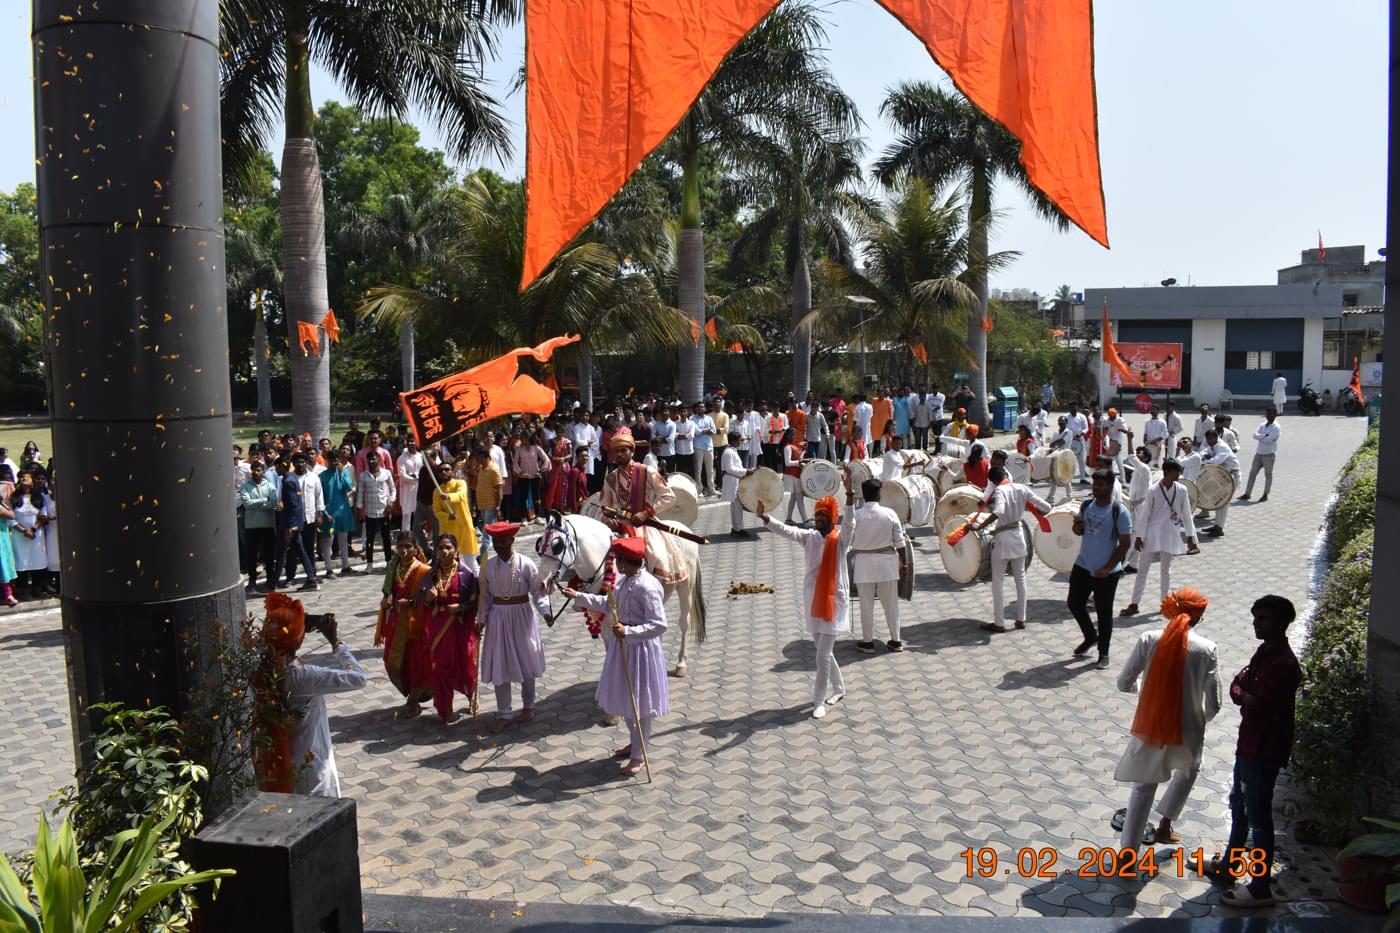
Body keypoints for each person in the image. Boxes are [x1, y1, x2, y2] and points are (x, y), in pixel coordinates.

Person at [1114, 588, 1220, 851]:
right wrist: (1199, 719)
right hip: (1189, 730)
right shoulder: (1208, 649)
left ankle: (1129, 851)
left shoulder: (1149, 639)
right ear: (1197, 618)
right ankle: (1165, 824)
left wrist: (1148, 692)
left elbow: (1123, 683)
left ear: (1169, 611)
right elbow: (1215, 703)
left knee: (1143, 787)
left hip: (1152, 725)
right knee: (1188, 771)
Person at [1215, 595, 1301, 908]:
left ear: (1281, 622)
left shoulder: (1284, 664)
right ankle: (1230, 865)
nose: (1256, 623)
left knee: (1259, 817)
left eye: (1263, 618)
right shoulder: (1265, 651)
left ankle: (1261, 886)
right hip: (1249, 745)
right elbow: (1240, 688)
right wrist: (1243, 691)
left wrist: (1243, 691)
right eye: (1255, 617)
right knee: (1239, 805)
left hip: (1264, 751)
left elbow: (1253, 699)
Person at [561, 536, 670, 776]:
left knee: (640, 702)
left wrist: (629, 631)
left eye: (617, 560)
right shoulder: (625, 582)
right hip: (622, 649)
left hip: (641, 650)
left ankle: (639, 755)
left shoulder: (647, 586)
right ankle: (635, 741)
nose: (616, 564)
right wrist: (578, 597)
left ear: (624, 561)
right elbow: (608, 603)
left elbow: (660, 624)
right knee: (625, 697)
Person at [755, 490, 855, 718]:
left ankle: (818, 701)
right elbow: (786, 530)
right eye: (816, 518)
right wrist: (765, 517)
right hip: (813, 601)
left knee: (822, 655)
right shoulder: (809, 537)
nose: (817, 522)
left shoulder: (841, 540)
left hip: (834, 602)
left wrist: (849, 495)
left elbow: (850, 524)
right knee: (823, 651)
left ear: (832, 519)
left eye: (822, 519)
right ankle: (839, 688)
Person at [265, 593, 367, 797]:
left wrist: (301, 621)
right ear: (297, 640)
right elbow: (358, 678)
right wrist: (336, 642)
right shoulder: (304, 677)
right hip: (312, 769)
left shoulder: (263, 670)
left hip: (278, 767)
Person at [480, 522, 551, 731]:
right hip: (497, 619)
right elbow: (484, 597)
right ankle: (505, 713)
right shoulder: (488, 566)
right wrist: (481, 620)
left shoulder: (526, 563)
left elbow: (538, 593)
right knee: (499, 663)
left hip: (522, 617)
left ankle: (528, 707)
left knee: (526, 661)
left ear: (512, 540)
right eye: (495, 542)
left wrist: (546, 613)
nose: (498, 545)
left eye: (502, 542)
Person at [968, 465, 1051, 632]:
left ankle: (999, 622)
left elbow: (999, 511)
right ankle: (1021, 619)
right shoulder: (1021, 488)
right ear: (1006, 474)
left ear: (992, 481)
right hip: (1018, 535)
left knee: (998, 581)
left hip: (1003, 539)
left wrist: (979, 527)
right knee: (1020, 578)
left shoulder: (999, 491)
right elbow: (1046, 507)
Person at [1068, 470, 1133, 669]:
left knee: (1104, 614)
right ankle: (1090, 636)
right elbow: (1078, 531)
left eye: (1100, 485)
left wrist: (1107, 568)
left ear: (1110, 487)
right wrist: (1077, 525)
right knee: (1074, 603)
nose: (1095, 488)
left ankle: (1103, 653)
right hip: (1083, 565)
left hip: (1106, 573)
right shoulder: (1087, 505)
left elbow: (1124, 544)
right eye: (1094, 485)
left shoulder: (1119, 511)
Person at [417, 532, 481, 725]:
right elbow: (421, 601)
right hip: (438, 629)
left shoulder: (467, 575)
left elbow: (475, 602)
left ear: (456, 551)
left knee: (466, 663)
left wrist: (461, 607)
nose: (444, 551)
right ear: (436, 552)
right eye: (441, 548)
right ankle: (445, 709)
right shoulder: (430, 575)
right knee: (440, 668)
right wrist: (427, 598)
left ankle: (472, 695)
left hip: (460, 627)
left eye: (448, 547)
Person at [1121, 459, 1199, 617]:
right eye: (1177, 471)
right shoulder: (1153, 490)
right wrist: (1139, 537)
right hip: (1152, 534)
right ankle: (1134, 603)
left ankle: (1165, 604)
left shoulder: (1182, 489)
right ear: (1168, 472)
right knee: (1142, 570)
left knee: (1166, 571)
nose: (1179, 474)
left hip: (1170, 533)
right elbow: (1145, 515)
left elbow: (1186, 514)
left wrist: (1192, 537)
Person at [374, 533, 434, 718]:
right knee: (393, 661)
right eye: (401, 546)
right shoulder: (394, 566)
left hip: (417, 624)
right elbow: (389, 591)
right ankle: (410, 693)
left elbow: (428, 597)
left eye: (408, 546)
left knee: (416, 662)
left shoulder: (423, 570)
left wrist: (410, 602)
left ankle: (414, 700)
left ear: (416, 549)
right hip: (396, 623)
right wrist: (387, 599)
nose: (404, 550)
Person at [851, 479, 907, 654]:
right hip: (887, 563)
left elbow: (847, 540)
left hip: (863, 564)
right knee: (891, 605)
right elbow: (900, 542)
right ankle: (896, 640)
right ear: (879, 494)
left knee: (866, 605)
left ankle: (867, 643)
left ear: (864, 494)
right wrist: (903, 563)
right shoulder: (890, 513)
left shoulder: (856, 515)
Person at [272, 457, 320, 591]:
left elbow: (294, 506)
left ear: (282, 466)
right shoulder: (291, 479)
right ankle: (311, 578)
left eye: (277, 467)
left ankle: (272, 584)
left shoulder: (288, 481)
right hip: (294, 523)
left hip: (289, 524)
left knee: (281, 553)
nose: (276, 470)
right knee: (301, 550)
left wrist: (290, 526)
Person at [282, 454, 326, 588]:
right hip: (295, 520)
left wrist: (320, 514)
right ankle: (290, 577)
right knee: (293, 550)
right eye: (297, 462)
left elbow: (319, 496)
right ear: (293, 463)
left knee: (308, 548)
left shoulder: (313, 477)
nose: (300, 464)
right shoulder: (290, 478)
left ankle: (312, 575)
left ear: (306, 462)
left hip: (310, 518)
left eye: (302, 462)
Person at [239, 459, 279, 593]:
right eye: (254, 470)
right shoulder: (245, 486)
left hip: (267, 525)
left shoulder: (269, 486)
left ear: (263, 472)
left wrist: (258, 505)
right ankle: (252, 581)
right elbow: (247, 504)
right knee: (252, 555)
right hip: (252, 526)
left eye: (259, 470)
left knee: (268, 554)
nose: (256, 473)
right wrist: (263, 501)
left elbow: (273, 502)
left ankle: (270, 579)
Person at [319, 445, 356, 577]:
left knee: (343, 540)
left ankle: (345, 566)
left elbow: (348, 487)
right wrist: (324, 512)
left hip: (343, 511)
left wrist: (341, 473)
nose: (335, 462)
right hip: (329, 513)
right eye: (332, 460)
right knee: (328, 541)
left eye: (337, 460)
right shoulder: (322, 476)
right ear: (327, 460)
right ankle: (329, 569)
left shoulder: (343, 472)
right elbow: (320, 497)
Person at [355, 452, 396, 572]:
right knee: (370, 539)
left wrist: (391, 501)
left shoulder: (386, 473)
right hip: (370, 512)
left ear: (379, 459)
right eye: (369, 459)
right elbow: (360, 493)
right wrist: (359, 509)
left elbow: (393, 489)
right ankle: (369, 564)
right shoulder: (363, 476)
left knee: (386, 538)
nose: (372, 461)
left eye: (374, 458)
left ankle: (388, 561)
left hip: (384, 511)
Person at [1200, 429, 1240, 537]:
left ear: (1216, 438)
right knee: (1217, 501)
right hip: (1221, 476)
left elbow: (1216, 461)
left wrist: (1207, 459)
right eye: (1207, 439)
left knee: (1223, 502)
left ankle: (1220, 528)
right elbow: (1203, 453)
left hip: (1231, 476)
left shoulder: (1222, 447)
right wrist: (1204, 457)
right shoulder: (1212, 446)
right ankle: (1216, 525)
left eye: (1211, 438)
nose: (1209, 441)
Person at [1239, 407, 1280, 503]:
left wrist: (1260, 437)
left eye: (1271, 414)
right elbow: (1254, 435)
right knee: (1252, 473)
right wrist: (1263, 436)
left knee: (1268, 474)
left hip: (1269, 454)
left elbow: (1269, 439)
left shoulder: (1276, 427)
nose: (1269, 415)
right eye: (1267, 413)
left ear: (1275, 415)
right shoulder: (1262, 425)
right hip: (1259, 453)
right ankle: (1247, 493)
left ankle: (1265, 494)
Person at [719, 430, 753, 537]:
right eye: (739, 440)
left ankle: (735, 528)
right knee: (737, 506)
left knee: (734, 506)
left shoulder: (731, 450)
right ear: (733, 441)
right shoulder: (729, 452)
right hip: (732, 481)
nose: (741, 442)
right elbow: (729, 468)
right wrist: (745, 471)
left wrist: (744, 471)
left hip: (733, 480)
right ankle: (738, 529)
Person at [395, 438, 424, 535]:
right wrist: (416, 478)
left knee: (419, 513)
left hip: (419, 488)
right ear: (406, 443)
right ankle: (405, 534)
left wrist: (416, 476)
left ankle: (418, 534)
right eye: (409, 441)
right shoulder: (402, 458)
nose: (411, 443)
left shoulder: (421, 456)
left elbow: (424, 471)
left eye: (413, 441)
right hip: (406, 489)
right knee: (406, 513)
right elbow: (402, 475)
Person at [780, 428, 809, 524]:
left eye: (794, 434)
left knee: (794, 497)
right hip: (792, 474)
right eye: (792, 435)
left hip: (795, 474)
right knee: (799, 497)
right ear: (787, 436)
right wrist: (799, 462)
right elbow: (787, 463)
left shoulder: (792, 446)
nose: (794, 436)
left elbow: (799, 458)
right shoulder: (787, 447)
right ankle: (805, 521)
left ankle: (788, 519)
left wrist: (804, 450)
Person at [690, 402, 718, 496]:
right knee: (698, 469)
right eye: (699, 407)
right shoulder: (692, 419)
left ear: (705, 408)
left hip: (709, 446)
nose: (701, 408)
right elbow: (696, 432)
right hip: (698, 446)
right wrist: (707, 430)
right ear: (696, 409)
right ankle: (699, 490)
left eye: (702, 407)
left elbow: (714, 431)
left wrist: (703, 431)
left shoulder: (709, 418)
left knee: (710, 469)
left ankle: (711, 489)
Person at [1066, 403, 1089, 482]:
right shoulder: (1066, 417)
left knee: (1081, 460)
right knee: (1069, 459)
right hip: (1069, 440)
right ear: (1069, 409)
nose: (1073, 409)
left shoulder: (1082, 417)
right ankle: (1068, 477)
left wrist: (1081, 433)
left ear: (1077, 408)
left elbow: (1086, 428)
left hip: (1080, 440)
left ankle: (1082, 478)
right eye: (1071, 408)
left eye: (1074, 407)